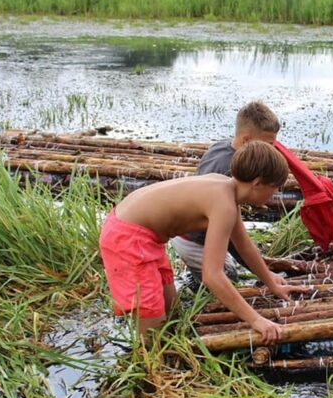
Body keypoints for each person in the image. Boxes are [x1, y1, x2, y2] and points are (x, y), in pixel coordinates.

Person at [99, 141, 308, 342]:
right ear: (257, 183)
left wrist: (272, 284)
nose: (276, 194)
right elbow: (212, 275)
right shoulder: (224, 204)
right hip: (128, 238)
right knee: (151, 324)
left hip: (144, 234)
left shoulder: (226, 190)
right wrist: (256, 320)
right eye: (275, 188)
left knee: (171, 310)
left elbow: (245, 246)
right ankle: (148, 366)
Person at [171, 101, 280, 287]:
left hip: (189, 231)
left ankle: (196, 270)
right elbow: (233, 239)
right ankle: (193, 281)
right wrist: (262, 273)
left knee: (225, 269)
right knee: (228, 278)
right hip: (193, 239)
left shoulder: (222, 146)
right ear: (246, 140)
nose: (273, 149)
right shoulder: (231, 173)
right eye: (269, 144)